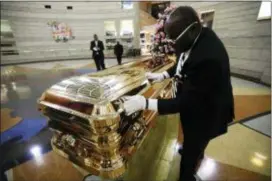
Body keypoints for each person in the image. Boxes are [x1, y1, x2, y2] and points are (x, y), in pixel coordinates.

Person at [122, 6, 234, 181]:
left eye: (174, 39)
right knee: (191, 136)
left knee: (193, 147)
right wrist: (163, 74)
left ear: (194, 29)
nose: (171, 43)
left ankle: (187, 173)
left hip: (208, 112)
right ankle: (193, 147)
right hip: (196, 103)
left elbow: (186, 102)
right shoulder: (191, 38)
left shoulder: (208, 58)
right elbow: (182, 61)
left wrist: (144, 103)